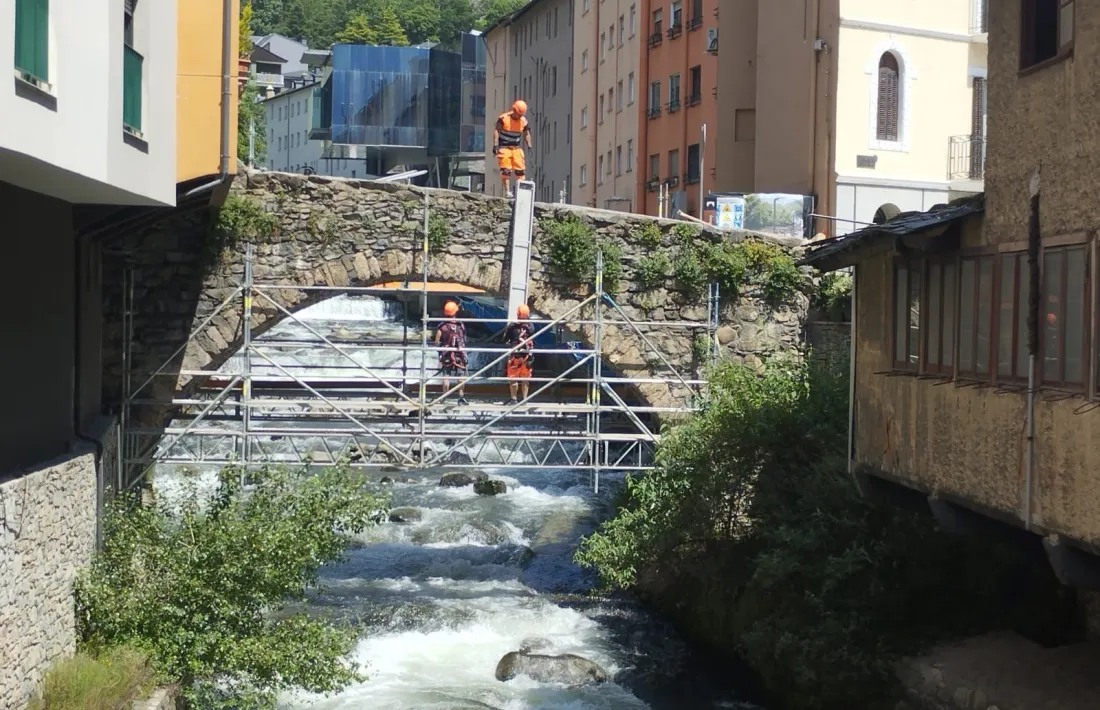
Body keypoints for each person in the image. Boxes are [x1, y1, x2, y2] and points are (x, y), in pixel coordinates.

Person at [493, 100, 531, 198]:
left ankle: (520, 191)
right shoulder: (503, 119)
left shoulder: (523, 121)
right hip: (504, 148)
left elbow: (526, 133)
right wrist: (495, 145)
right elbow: (497, 131)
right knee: (506, 171)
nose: (519, 116)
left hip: (516, 148)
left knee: (520, 171)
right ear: (514, 110)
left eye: (521, 115)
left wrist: (529, 146)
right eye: (518, 114)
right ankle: (507, 192)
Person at [434, 301, 469, 406]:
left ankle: (444, 397)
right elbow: (464, 338)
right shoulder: (460, 325)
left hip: (447, 354)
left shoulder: (442, 326)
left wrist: (440, 349)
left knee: (446, 376)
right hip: (459, 353)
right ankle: (461, 397)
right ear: (455, 312)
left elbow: (437, 341)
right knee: (460, 376)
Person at [504, 303, 534, 405]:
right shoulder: (531, 327)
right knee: (526, 379)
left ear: (518, 314)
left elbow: (505, 338)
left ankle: (514, 399)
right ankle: (524, 399)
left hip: (515, 356)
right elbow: (533, 334)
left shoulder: (512, 327)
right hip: (527, 356)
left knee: (513, 378)